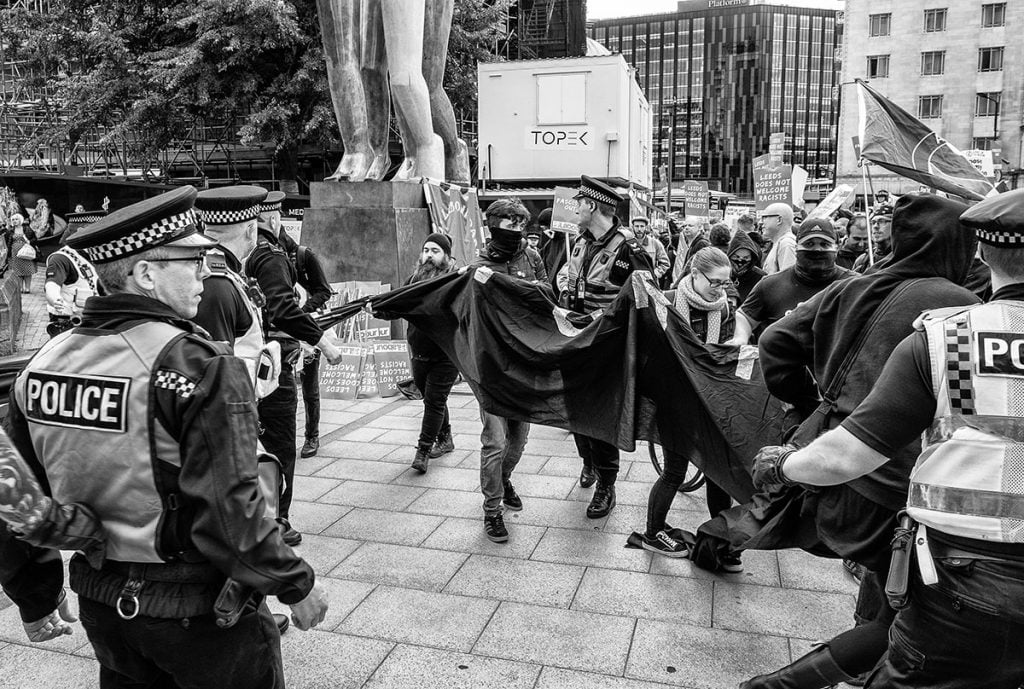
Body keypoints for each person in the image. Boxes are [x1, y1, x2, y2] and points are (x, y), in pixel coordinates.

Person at [4, 186, 329, 688]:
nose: (204, 273)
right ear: (145, 274)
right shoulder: (196, 364)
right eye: (192, 261)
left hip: (103, 605)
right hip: (199, 613)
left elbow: (13, 494)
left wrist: (35, 593)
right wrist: (293, 582)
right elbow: (229, 507)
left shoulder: (43, 363)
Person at [749, 190, 1024, 688]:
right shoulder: (953, 307)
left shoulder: (950, 335)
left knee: (894, 622)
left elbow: (845, 454)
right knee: (887, 615)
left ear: (984, 252)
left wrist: (786, 457)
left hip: (956, 562)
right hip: (929, 532)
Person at [243, 192, 344, 547]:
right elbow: (283, 310)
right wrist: (322, 341)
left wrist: (307, 313)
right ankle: (276, 520)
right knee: (278, 445)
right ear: (273, 219)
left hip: (252, 362)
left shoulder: (290, 255)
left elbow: (319, 292)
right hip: (271, 363)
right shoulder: (269, 256)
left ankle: (256, 515)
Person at [556, 175, 654, 518]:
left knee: (600, 416)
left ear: (593, 206)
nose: (575, 209)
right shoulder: (579, 243)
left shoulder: (629, 249)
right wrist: (563, 292)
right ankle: (589, 463)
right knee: (576, 411)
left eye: (579, 204)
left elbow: (646, 299)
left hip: (608, 346)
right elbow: (568, 279)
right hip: (575, 340)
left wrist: (603, 317)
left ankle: (606, 486)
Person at [642, 246, 740, 563]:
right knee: (674, 471)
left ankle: (721, 540)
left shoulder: (725, 310)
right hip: (673, 400)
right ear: (695, 274)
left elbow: (724, 355)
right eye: (715, 282)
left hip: (710, 402)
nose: (721, 289)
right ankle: (653, 533)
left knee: (717, 472)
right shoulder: (667, 301)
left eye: (725, 282)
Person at [472, 199, 546, 542]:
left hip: (525, 363)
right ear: (493, 225)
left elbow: (547, 292)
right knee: (495, 441)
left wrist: (520, 290)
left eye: (520, 223)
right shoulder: (479, 265)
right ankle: (492, 510)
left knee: (518, 441)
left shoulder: (531, 256)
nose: (516, 229)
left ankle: (503, 479)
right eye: (509, 223)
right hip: (490, 366)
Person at [270, 197, 334, 459]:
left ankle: (312, 436)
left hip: (306, 330)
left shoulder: (303, 255)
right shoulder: (264, 259)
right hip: (277, 333)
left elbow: (324, 291)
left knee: (309, 387)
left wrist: (301, 313)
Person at [728, 219, 856, 345]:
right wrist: (740, 338)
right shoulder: (771, 284)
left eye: (825, 244)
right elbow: (744, 317)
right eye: (809, 244)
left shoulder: (855, 284)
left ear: (837, 248)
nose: (817, 250)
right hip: (781, 357)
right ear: (796, 248)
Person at [406, 233, 460, 473]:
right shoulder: (413, 279)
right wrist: (377, 309)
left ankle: (423, 450)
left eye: (435, 251)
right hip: (419, 353)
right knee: (431, 399)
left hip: (446, 355)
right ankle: (445, 438)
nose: (429, 255)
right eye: (426, 250)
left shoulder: (454, 281)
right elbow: (398, 303)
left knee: (435, 401)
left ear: (446, 256)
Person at [43, 211, 104, 336]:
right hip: (68, 326)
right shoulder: (61, 258)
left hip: (95, 324)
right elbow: (51, 284)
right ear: (81, 231)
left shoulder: (98, 255)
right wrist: (55, 299)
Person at [727, 225, 766, 305]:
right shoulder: (723, 274)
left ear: (752, 257)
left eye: (746, 257)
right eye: (736, 257)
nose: (740, 260)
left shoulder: (760, 277)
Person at [853, 205, 893, 273]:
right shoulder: (863, 260)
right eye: (873, 222)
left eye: (881, 221)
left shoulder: (903, 258)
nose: (875, 226)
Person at [631, 214, 670, 284]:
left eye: (642, 226)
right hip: (632, 282)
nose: (639, 229)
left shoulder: (655, 243)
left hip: (650, 283)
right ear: (633, 227)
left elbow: (665, 263)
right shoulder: (628, 243)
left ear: (646, 227)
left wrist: (655, 274)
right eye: (636, 226)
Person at [761, 202, 797, 274]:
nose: (761, 222)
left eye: (764, 217)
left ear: (779, 220)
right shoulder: (780, 243)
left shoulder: (787, 244)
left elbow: (787, 278)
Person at [8, 214, 37, 293]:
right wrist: (8, 254)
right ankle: (20, 288)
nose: (14, 221)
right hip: (15, 253)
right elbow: (8, 242)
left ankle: (27, 288)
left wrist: (29, 241)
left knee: (27, 270)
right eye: (13, 219)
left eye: (16, 219)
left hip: (26, 252)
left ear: (20, 220)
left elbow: (35, 239)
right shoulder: (11, 230)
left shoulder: (27, 228)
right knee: (18, 271)